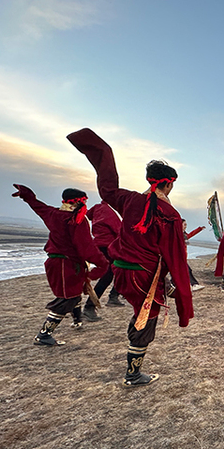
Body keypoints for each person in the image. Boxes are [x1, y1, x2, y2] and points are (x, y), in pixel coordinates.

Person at [67, 128, 194, 387]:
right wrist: (179, 287)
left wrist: (103, 153)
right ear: (168, 183)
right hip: (143, 275)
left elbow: (108, 190)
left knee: (140, 314)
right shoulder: (170, 214)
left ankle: (133, 367)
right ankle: (133, 374)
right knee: (146, 318)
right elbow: (175, 254)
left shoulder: (129, 199)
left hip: (122, 271)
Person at [12, 185, 107, 345]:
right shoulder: (76, 221)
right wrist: (102, 263)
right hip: (65, 265)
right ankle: (44, 334)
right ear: (79, 202)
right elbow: (86, 247)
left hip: (60, 263)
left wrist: (28, 196)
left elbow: (38, 206)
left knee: (74, 292)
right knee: (67, 298)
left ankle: (77, 320)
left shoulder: (53, 214)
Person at [82, 200, 124, 322]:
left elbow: (87, 215)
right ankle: (89, 307)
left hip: (99, 246)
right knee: (108, 275)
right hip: (108, 247)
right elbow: (119, 230)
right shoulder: (108, 211)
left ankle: (113, 296)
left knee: (117, 271)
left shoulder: (98, 209)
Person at [183, 220, 205, 292]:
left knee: (178, 273)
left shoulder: (184, 235)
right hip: (178, 257)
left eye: (186, 225)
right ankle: (194, 284)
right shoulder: (177, 234)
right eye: (184, 225)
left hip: (182, 257)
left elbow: (190, 235)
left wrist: (199, 229)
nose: (185, 226)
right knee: (188, 270)